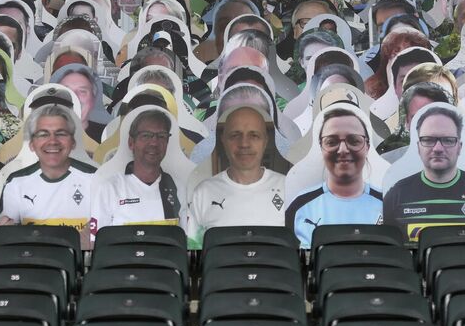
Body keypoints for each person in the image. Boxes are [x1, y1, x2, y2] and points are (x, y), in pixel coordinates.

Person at [183, 95, 291, 242]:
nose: (244, 144)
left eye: (254, 135)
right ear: (223, 140)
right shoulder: (203, 193)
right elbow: (193, 250)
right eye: (235, 135)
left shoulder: (289, 188)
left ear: (265, 142)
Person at [382, 101, 465, 239]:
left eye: (448, 140)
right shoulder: (397, 194)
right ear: (418, 147)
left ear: (459, 146)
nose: (437, 148)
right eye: (429, 140)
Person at [285, 104, 384, 246]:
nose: (343, 149)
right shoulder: (299, 208)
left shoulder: (387, 205)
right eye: (332, 142)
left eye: (354, 140)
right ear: (321, 148)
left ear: (367, 147)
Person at [0, 101, 93, 231]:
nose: (52, 141)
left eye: (61, 133)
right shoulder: (16, 183)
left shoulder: (95, 179)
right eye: (43, 134)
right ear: (32, 144)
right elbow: (6, 237)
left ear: (73, 142)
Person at [88, 106, 185, 233]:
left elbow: (187, 243)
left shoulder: (178, 188)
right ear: (131, 142)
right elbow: (97, 243)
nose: (154, 143)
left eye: (161, 136)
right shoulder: (110, 189)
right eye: (146, 136)